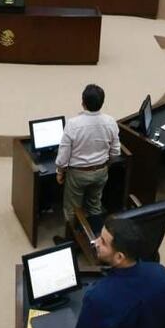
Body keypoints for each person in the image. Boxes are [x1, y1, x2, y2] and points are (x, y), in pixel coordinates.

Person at [71, 216, 165, 328]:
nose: (96, 242)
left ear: (119, 257)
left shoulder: (97, 298)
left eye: (103, 242)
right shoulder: (162, 274)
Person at [54, 84, 121, 241]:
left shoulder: (73, 124)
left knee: (72, 208)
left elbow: (63, 156)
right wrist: (105, 166)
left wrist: (60, 172)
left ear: (82, 102)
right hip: (101, 172)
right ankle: (97, 241)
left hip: (78, 175)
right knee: (94, 205)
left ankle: (70, 241)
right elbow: (116, 151)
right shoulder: (111, 122)